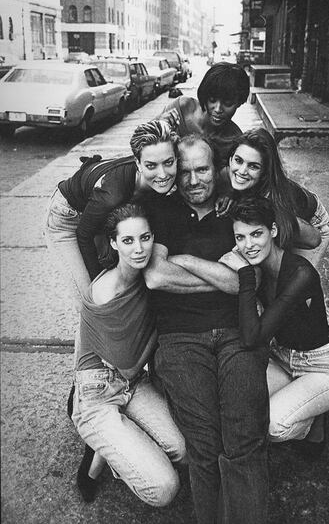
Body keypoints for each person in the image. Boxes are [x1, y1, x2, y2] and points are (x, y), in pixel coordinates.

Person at [143, 134, 270, 524]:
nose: (194, 180)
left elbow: (245, 282)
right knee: (203, 440)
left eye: (202, 169)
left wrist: (185, 260)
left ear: (216, 169)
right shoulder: (158, 211)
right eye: (185, 171)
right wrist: (222, 273)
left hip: (237, 330)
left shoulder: (237, 208)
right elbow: (155, 278)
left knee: (244, 439)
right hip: (179, 337)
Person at [72, 202, 186, 505]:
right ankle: (100, 451)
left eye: (145, 238)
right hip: (99, 389)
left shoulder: (150, 276)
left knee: (185, 450)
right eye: (128, 240)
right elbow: (127, 365)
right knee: (163, 489)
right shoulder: (107, 291)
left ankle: (112, 442)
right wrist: (161, 329)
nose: (139, 249)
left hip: (134, 384)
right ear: (113, 243)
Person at [220, 197, 329, 456]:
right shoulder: (259, 268)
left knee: (272, 426)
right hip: (281, 360)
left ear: (274, 231)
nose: (248, 245)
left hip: (322, 368)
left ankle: (316, 417)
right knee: (236, 405)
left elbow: (251, 337)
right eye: (240, 238)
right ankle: (307, 402)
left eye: (256, 234)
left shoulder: (301, 274)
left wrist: (245, 275)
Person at [44, 119, 178, 309]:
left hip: (100, 213)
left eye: (168, 162)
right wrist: (98, 285)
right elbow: (84, 235)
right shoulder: (112, 195)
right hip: (67, 218)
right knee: (91, 303)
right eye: (151, 166)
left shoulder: (165, 179)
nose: (163, 174)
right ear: (138, 164)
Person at [224, 127, 329, 268]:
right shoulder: (228, 174)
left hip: (312, 225)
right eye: (238, 161)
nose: (242, 171)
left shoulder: (272, 202)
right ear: (231, 159)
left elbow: (313, 239)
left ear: (264, 172)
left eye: (253, 166)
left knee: (293, 278)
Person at [159, 61, 250, 168]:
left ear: (239, 103)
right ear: (205, 96)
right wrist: (160, 124)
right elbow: (144, 142)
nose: (218, 109)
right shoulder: (182, 108)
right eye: (212, 100)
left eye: (228, 103)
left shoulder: (234, 141)